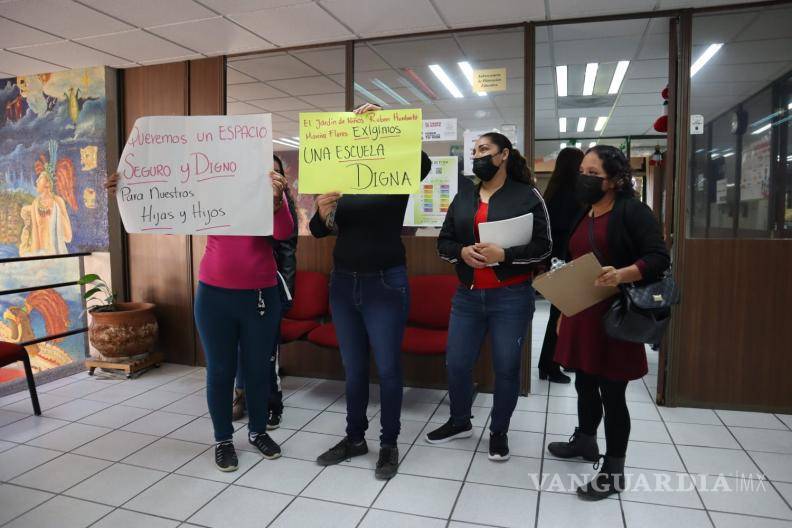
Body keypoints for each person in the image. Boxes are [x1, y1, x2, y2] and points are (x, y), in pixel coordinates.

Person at [106, 164, 293, 473]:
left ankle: (258, 432)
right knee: (220, 371)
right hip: (215, 297)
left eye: (272, 170)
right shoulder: (212, 188)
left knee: (258, 368)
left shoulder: (273, 197)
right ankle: (223, 440)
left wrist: (277, 199)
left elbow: (284, 233)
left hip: (261, 296)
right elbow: (169, 200)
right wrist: (127, 190)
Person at [310, 103, 431, 480]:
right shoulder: (339, 176)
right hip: (343, 282)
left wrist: (384, 122)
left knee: (390, 369)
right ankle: (355, 438)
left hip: (384, 282)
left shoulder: (395, 173)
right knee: (354, 369)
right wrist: (321, 207)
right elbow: (318, 230)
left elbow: (423, 161)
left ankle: (389, 443)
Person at [547, 145, 670, 500]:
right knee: (584, 384)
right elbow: (573, 263)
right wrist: (563, 312)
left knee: (613, 395)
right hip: (582, 313)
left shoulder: (632, 211)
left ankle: (614, 471)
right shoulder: (585, 212)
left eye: (592, 173)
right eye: (581, 171)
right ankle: (586, 441)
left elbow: (658, 257)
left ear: (615, 180)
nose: (583, 178)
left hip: (617, 318)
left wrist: (624, 274)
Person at [428, 132, 552, 461]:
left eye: (484, 149)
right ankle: (459, 421)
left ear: (504, 155)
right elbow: (444, 241)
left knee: (507, 368)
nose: (477, 155)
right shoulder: (464, 197)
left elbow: (545, 246)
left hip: (510, 297)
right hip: (467, 297)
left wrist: (505, 255)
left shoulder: (527, 195)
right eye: (474, 150)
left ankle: (498, 432)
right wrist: (461, 252)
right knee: (456, 363)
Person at [232, 154, 298, 430]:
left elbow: (288, 253)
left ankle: (273, 405)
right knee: (238, 347)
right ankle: (241, 396)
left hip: (271, 288)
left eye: (277, 172)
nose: (271, 176)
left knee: (268, 353)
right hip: (237, 288)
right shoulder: (239, 203)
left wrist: (286, 294)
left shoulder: (284, 209)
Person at [538, 147, 584, 384]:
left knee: (560, 315)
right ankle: (550, 364)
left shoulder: (553, 193)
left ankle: (552, 363)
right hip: (568, 262)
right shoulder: (573, 194)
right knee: (563, 316)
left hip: (556, 261)